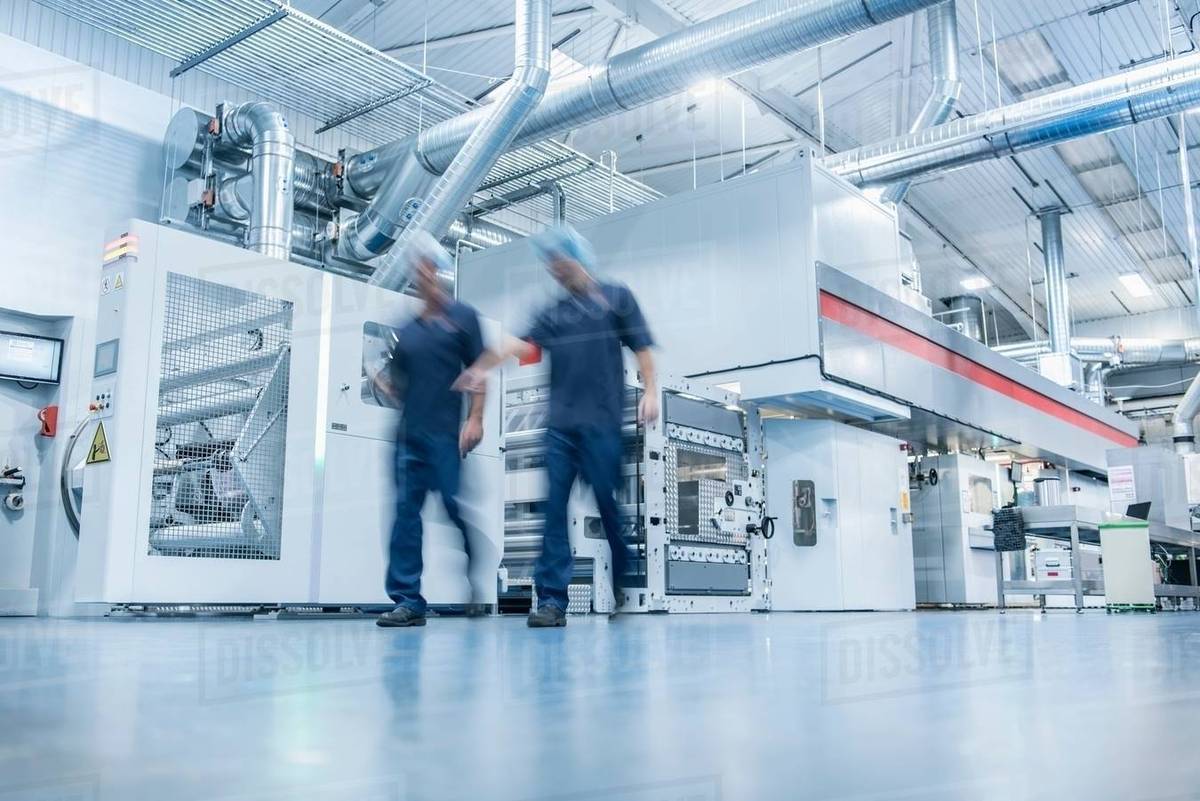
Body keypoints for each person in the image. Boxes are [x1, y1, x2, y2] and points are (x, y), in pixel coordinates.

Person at [457, 225, 659, 628]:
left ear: (576, 258)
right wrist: (480, 368)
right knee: (553, 512)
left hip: (602, 425)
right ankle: (552, 600)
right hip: (561, 429)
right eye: (548, 262)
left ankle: (621, 576)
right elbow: (516, 344)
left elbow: (642, 347)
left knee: (607, 507)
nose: (552, 268)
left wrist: (651, 390)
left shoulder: (616, 298)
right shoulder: (552, 312)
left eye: (557, 260)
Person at [376, 232, 486, 628]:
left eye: (427, 265)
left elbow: (479, 373)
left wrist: (475, 419)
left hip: (445, 436)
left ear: (438, 270)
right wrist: (383, 384)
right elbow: (398, 386)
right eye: (416, 266)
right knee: (406, 514)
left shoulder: (464, 319)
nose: (421, 272)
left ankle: (475, 577)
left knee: (454, 508)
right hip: (409, 438)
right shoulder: (407, 331)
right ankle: (408, 600)